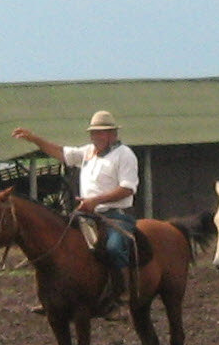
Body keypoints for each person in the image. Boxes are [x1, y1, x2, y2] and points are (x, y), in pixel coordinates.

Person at [12, 110, 139, 316]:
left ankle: (120, 298)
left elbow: (128, 188)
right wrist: (35, 139)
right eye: (93, 133)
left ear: (112, 134)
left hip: (114, 215)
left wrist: (95, 201)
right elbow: (62, 153)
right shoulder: (88, 152)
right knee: (58, 245)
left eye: (100, 133)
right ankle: (53, 297)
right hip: (85, 215)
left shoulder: (124, 155)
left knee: (114, 248)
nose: (95, 137)